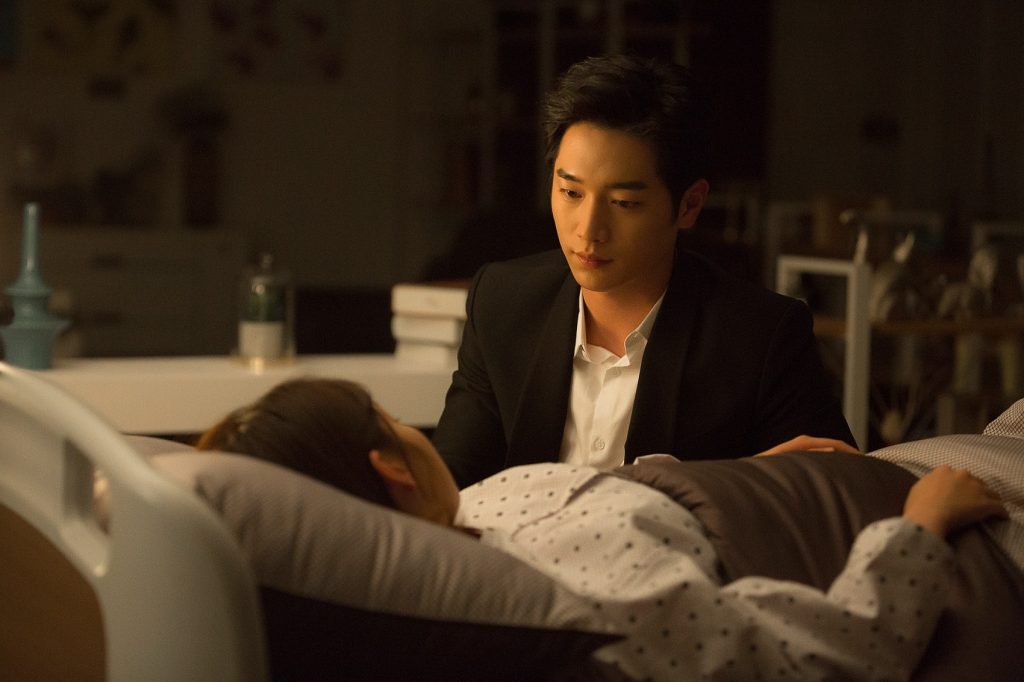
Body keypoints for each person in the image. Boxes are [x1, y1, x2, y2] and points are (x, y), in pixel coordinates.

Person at [197, 377, 1010, 681]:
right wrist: (921, 528)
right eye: (389, 418)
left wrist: (744, 466)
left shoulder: (465, 518)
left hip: (789, 482)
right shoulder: (585, 613)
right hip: (925, 522)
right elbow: (821, 655)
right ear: (392, 470)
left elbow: (595, 499)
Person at [431, 53, 854, 488]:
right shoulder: (503, 304)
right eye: (571, 192)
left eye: (624, 203)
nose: (588, 230)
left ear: (689, 205)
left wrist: (737, 482)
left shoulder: (760, 338)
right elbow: (448, 482)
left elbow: (833, 488)